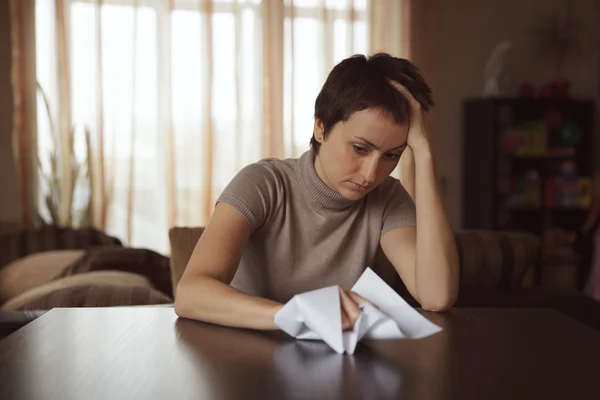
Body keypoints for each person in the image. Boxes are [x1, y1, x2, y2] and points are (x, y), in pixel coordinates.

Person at [174, 53, 459, 331]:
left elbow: (436, 296)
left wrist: (423, 151)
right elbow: (190, 293)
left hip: (342, 366)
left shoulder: (387, 198)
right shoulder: (263, 183)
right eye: (360, 149)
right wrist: (295, 313)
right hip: (246, 358)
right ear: (320, 128)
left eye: (392, 155)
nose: (372, 174)